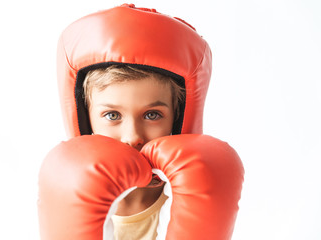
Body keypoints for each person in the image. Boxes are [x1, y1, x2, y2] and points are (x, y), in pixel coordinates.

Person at [38, 4, 244, 240]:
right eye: (112, 115)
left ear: (179, 117)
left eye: (152, 115)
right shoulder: (64, 193)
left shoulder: (189, 193)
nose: (132, 136)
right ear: (84, 118)